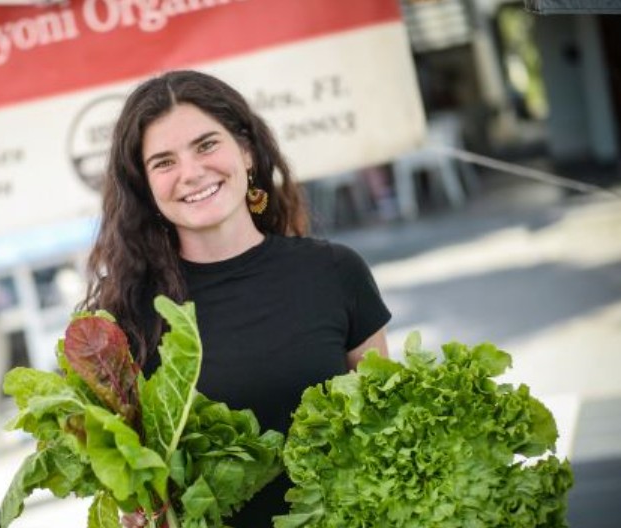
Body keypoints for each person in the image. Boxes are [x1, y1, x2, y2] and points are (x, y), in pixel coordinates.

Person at [80, 70, 391, 524]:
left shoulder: (336, 273)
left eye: (206, 145)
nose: (191, 173)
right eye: (163, 162)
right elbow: (128, 487)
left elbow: (392, 425)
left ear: (245, 150)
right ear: (145, 187)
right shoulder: (125, 320)